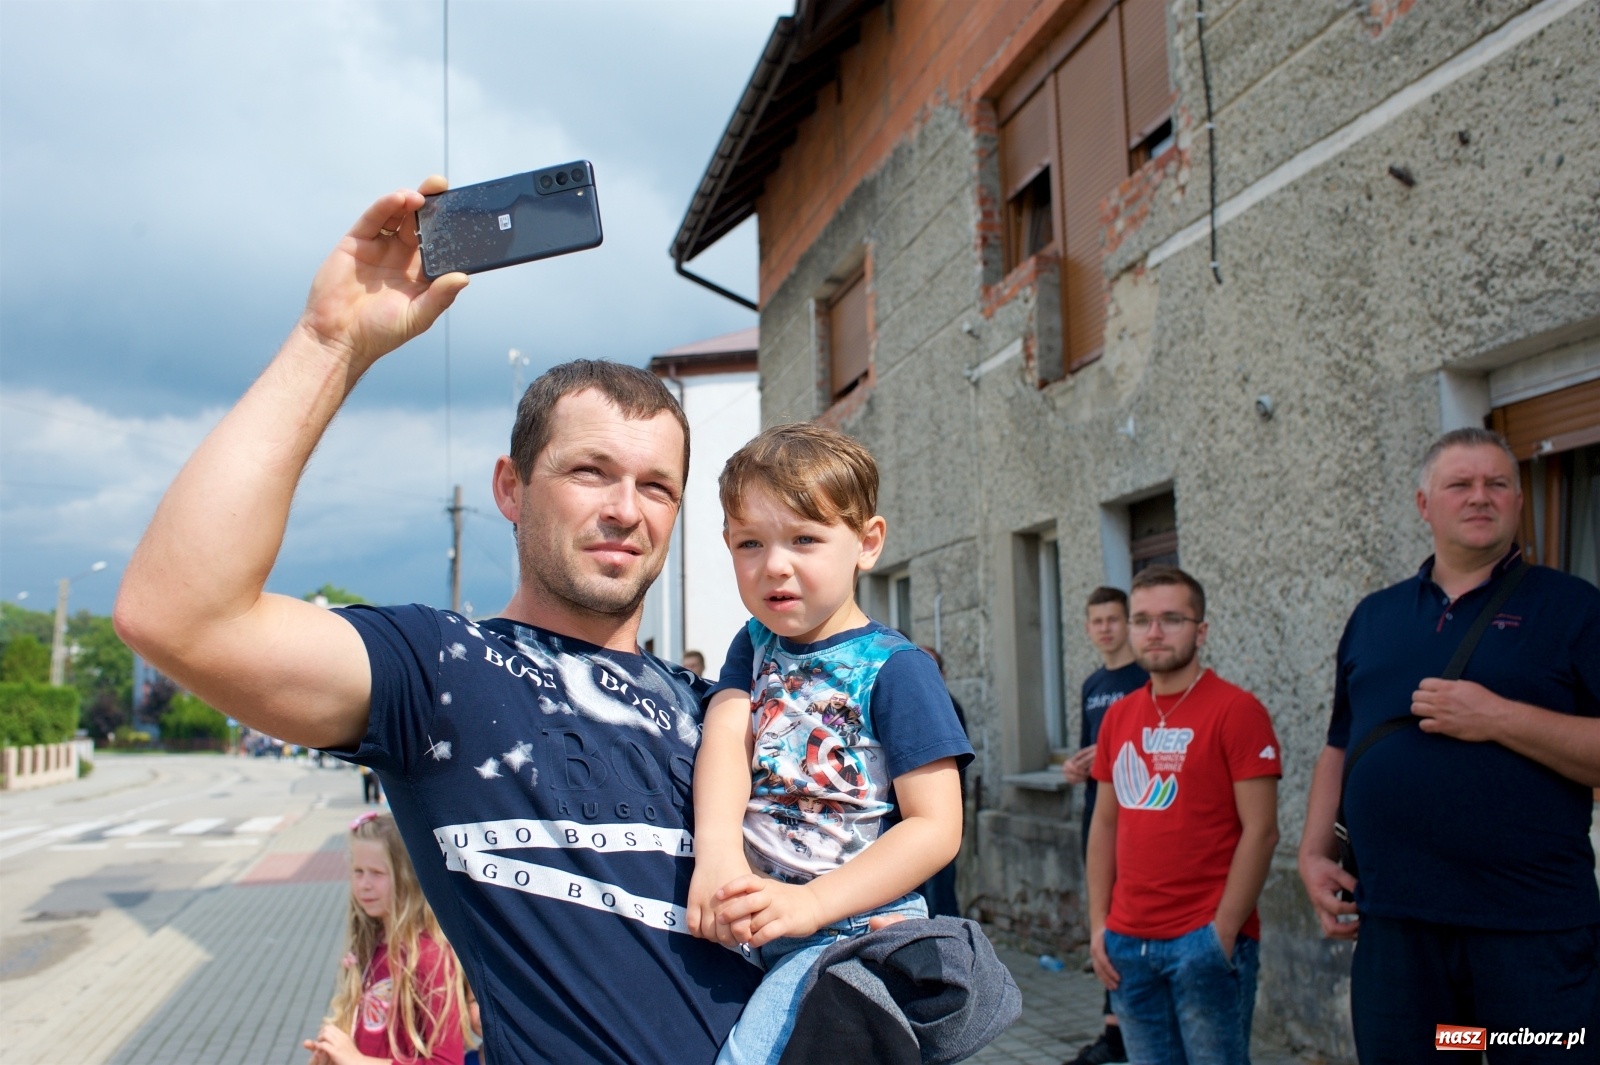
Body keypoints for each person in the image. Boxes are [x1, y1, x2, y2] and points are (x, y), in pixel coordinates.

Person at [115, 179, 762, 1064]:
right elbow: (178, 613)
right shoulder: (445, 669)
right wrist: (329, 341)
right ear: (510, 488)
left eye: (655, 486)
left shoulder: (714, 710)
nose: (626, 508)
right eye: (590, 472)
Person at [1297, 427, 1600, 1062]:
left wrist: (1499, 718)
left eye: (1497, 484)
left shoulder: (1574, 609)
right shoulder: (1373, 617)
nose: (1479, 497)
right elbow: (1340, 743)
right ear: (1424, 505)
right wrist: (1313, 852)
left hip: (1531, 940)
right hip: (1400, 936)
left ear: (1518, 502)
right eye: (1459, 484)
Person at [687, 423, 972, 1065]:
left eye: (805, 539)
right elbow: (727, 740)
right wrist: (717, 856)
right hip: (753, 918)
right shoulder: (752, 644)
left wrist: (812, 903)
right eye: (750, 543)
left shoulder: (898, 670)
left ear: (867, 543)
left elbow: (937, 827)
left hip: (846, 929)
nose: (774, 565)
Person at [1086, 565, 1281, 1065]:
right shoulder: (1120, 715)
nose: (1154, 632)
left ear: (1201, 630)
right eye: (1143, 619)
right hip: (1128, 944)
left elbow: (1261, 831)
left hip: (1204, 941)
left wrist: (1222, 933)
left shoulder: (1237, 710)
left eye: (1171, 619)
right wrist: (1098, 926)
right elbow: (1104, 824)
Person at [304, 811, 470, 1065]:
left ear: (409, 877)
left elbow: (447, 1061)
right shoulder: (371, 943)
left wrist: (357, 1060)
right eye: (358, 872)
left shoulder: (429, 955)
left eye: (376, 873)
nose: (364, 884)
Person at [1061, 587, 1147, 1065]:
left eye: (1114, 619)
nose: (1106, 628)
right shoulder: (1093, 684)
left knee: (1129, 916)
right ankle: (1115, 1026)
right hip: (1098, 816)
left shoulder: (1144, 678)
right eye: (1097, 621)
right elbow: (1085, 752)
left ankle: (1123, 1029)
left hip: (1139, 816)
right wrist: (1076, 769)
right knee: (1107, 917)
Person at [917, 644, 969, 919]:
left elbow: (957, 768)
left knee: (942, 893)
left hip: (941, 814)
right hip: (910, 821)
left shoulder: (948, 707)